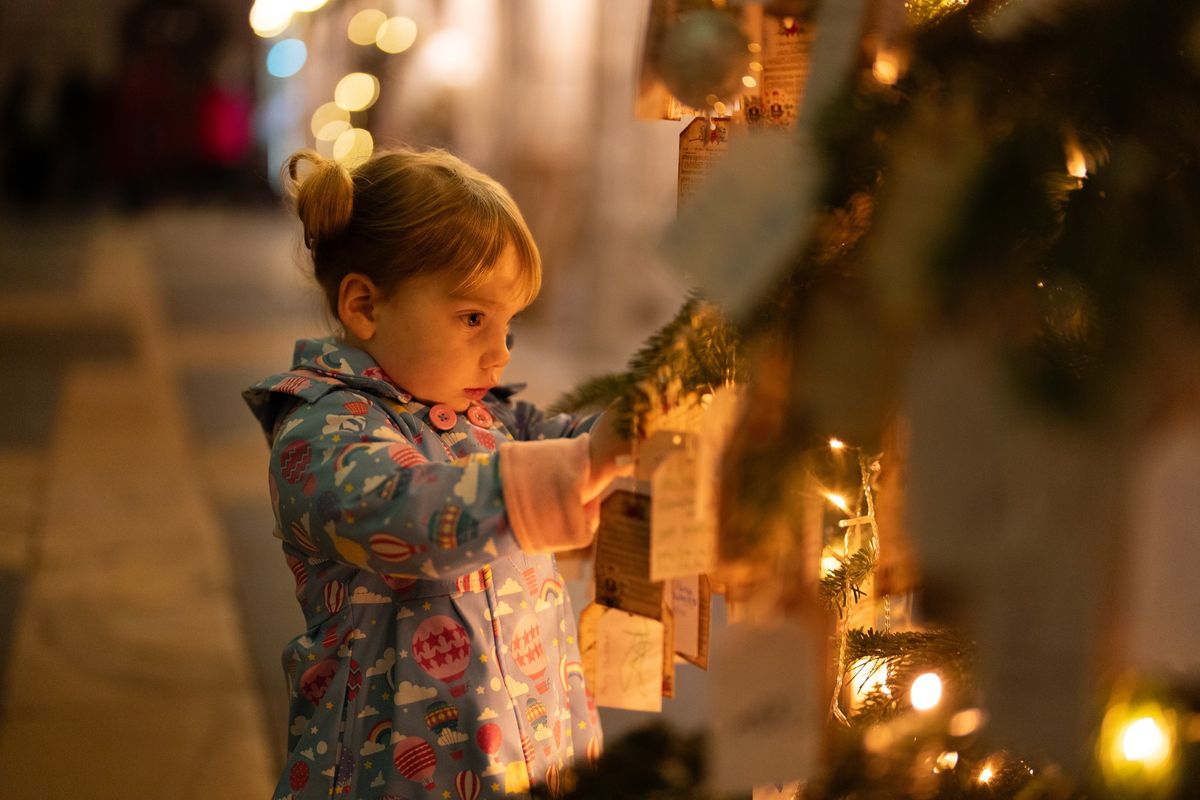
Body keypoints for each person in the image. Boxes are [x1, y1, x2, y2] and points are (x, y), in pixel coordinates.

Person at [243, 147, 631, 799]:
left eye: (509, 327)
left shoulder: (490, 417)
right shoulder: (319, 432)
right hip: (385, 776)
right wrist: (581, 466)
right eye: (473, 317)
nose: (498, 354)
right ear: (365, 306)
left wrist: (648, 419)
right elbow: (406, 512)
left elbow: (578, 445)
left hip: (529, 756)